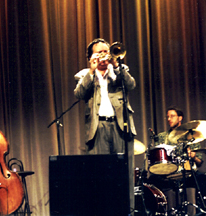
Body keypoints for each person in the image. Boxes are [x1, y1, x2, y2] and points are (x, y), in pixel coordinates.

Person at [74, 38, 137, 214]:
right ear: (91, 57)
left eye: (106, 51)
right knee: (100, 177)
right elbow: (79, 93)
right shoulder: (84, 74)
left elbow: (131, 85)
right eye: (99, 52)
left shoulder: (119, 70)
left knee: (125, 176)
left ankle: (128, 212)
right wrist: (93, 71)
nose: (104, 54)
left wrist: (116, 65)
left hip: (121, 128)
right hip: (98, 129)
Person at [149, 107, 203, 215]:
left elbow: (199, 162)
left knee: (190, 211)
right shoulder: (162, 137)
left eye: (172, 116)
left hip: (187, 177)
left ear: (180, 118)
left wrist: (193, 156)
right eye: (167, 117)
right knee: (171, 211)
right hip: (168, 178)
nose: (169, 119)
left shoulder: (191, 136)